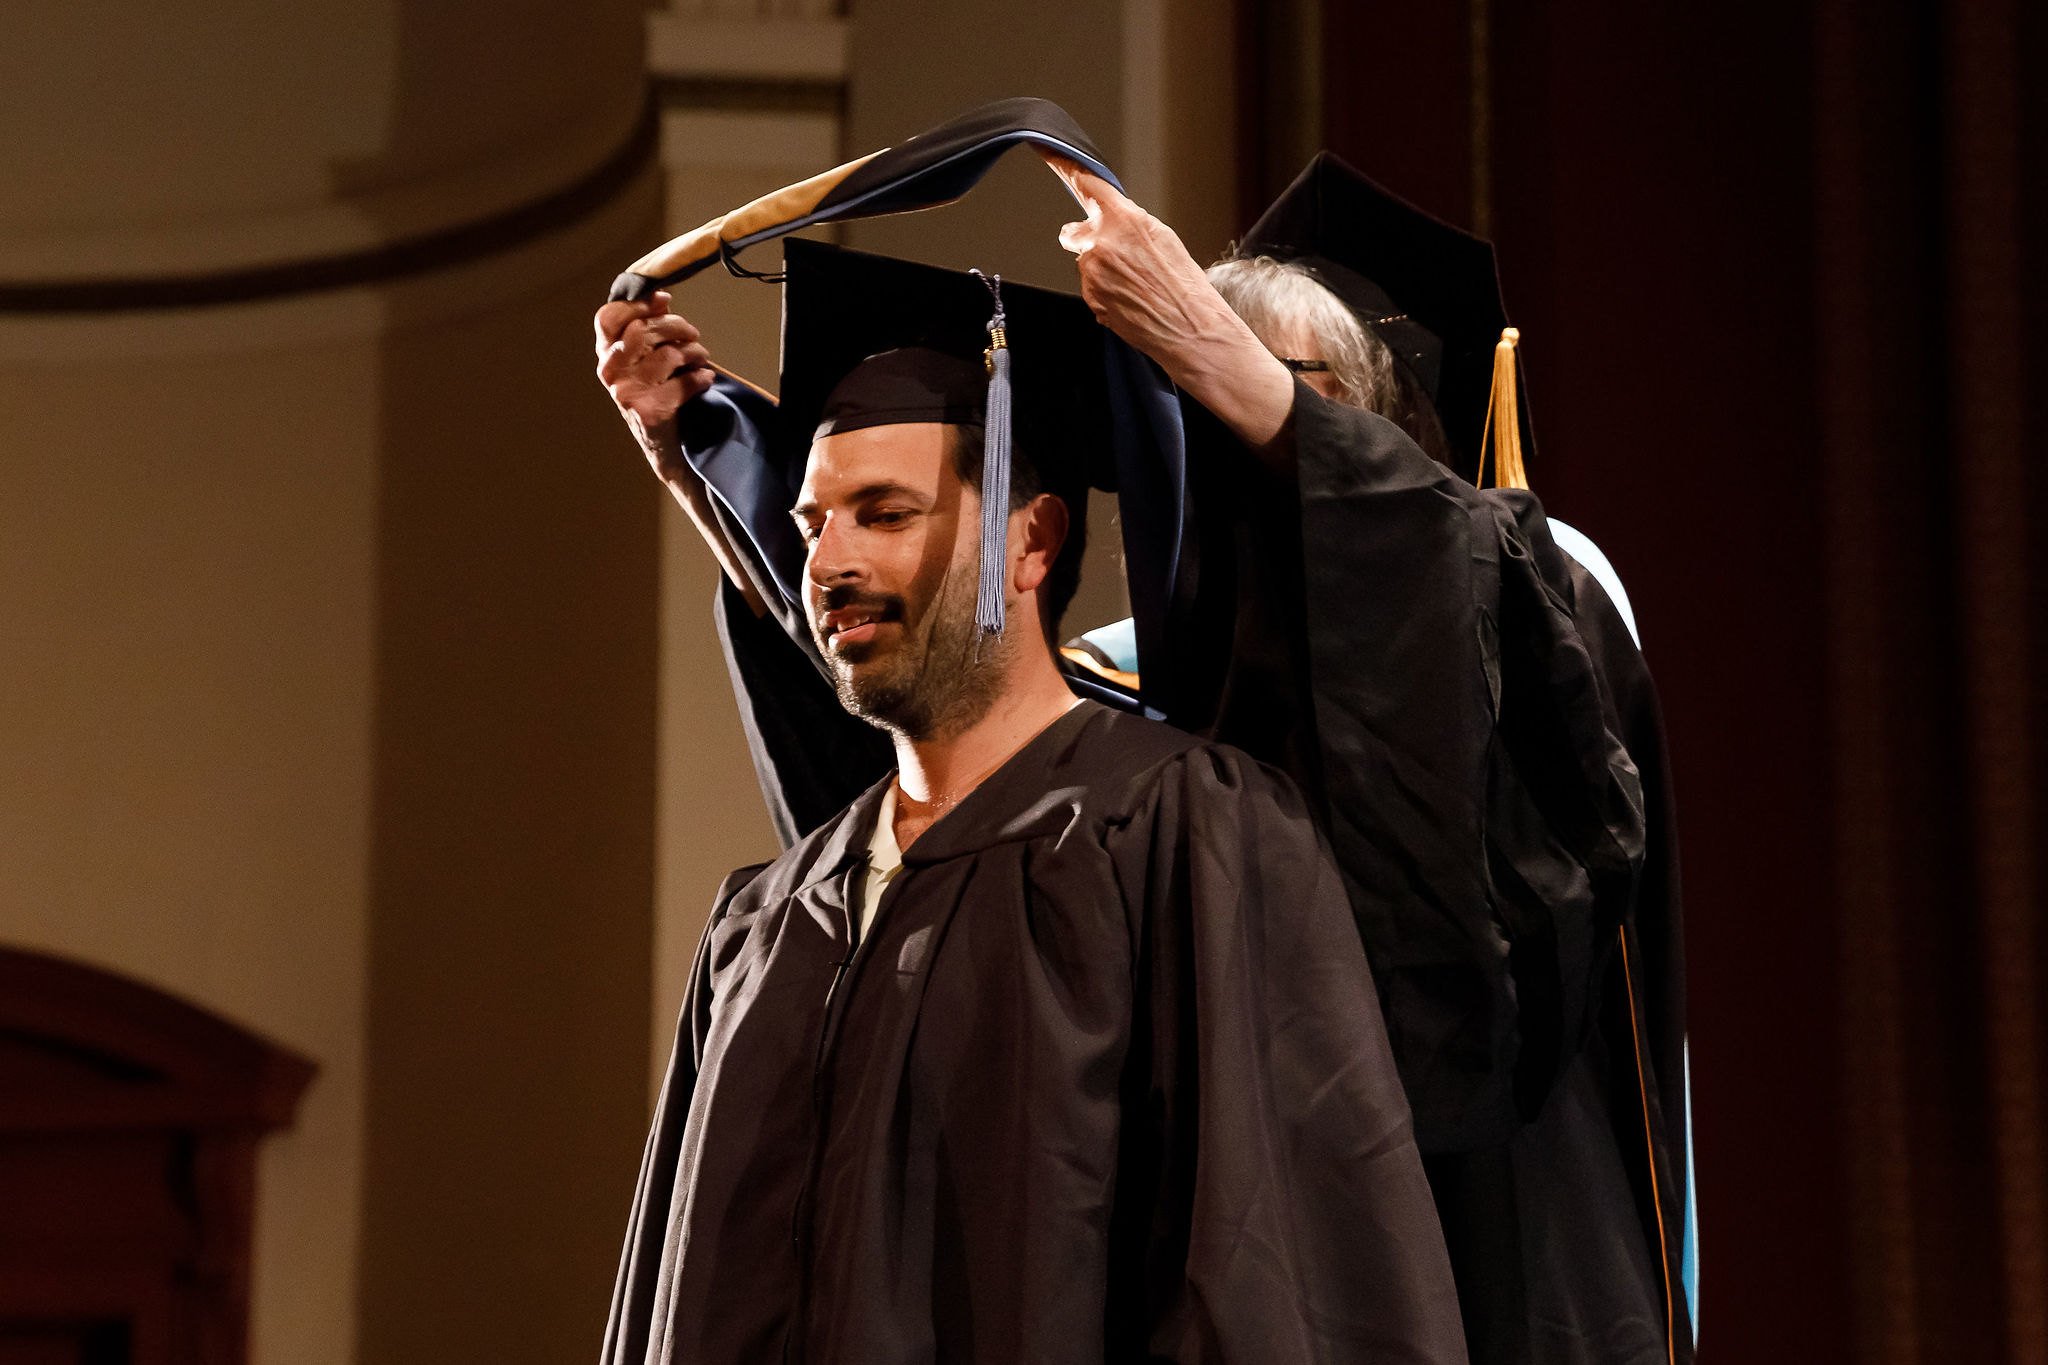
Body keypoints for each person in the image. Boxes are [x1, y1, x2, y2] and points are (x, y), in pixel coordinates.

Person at [592, 243, 1467, 1363]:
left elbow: (1266, 1273)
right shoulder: (759, 923)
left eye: (885, 513)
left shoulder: (1180, 831)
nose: (831, 563)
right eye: (813, 525)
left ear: (1031, 541)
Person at [1059, 151, 1694, 1363]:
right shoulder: (1110, 678)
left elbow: (1516, 874)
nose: (1227, 417)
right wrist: (733, 484)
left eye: (1284, 387)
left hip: (1500, 1237)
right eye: (1183, 389)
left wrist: (1266, 405)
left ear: (1378, 416)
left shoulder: (1526, 584)